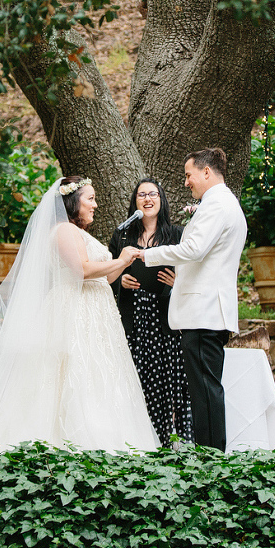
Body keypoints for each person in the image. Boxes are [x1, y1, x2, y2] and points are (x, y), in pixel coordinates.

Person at [0, 176, 159, 452]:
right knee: (74, 373)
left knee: (101, 375)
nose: (95, 205)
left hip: (97, 314)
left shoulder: (80, 233)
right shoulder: (63, 230)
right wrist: (119, 259)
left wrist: (124, 262)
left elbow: (105, 279)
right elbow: (81, 271)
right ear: (73, 202)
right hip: (74, 310)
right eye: (90, 199)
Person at [139, 148, 247, 452]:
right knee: (204, 392)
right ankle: (210, 456)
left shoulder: (216, 205)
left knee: (205, 393)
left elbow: (193, 250)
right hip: (208, 312)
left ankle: (210, 461)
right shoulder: (223, 203)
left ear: (206, 173)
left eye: (189, 175)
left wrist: (148, 255)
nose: (186, 182)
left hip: (204, 313)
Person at [107, 178, 193, 444]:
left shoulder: (177, 235)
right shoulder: (122, 236)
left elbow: (192, 272)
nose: (147, 199)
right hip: (135, 318)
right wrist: (120, 280)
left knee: (171, 382)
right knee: (138, 380)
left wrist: (177, 284)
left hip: (167, 318)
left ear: (161, 199)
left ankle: (175, 440)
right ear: (135, 202)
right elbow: (106, 274)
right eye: (141, 195)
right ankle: (142, 442)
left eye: (153, 194)